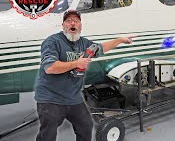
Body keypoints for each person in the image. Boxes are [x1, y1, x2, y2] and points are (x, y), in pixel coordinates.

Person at [34, 10, 134, 141]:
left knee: (86, 126)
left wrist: (120, 40)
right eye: (69, 21)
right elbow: (50, 68)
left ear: (81, 25)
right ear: (63, 25)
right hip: (51, 98)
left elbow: (101, 48)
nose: (72, 23)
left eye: (76, 21)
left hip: (73, 98)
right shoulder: (52, 42)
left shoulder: (84, 43)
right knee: (48, 134)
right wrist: (76, 63)